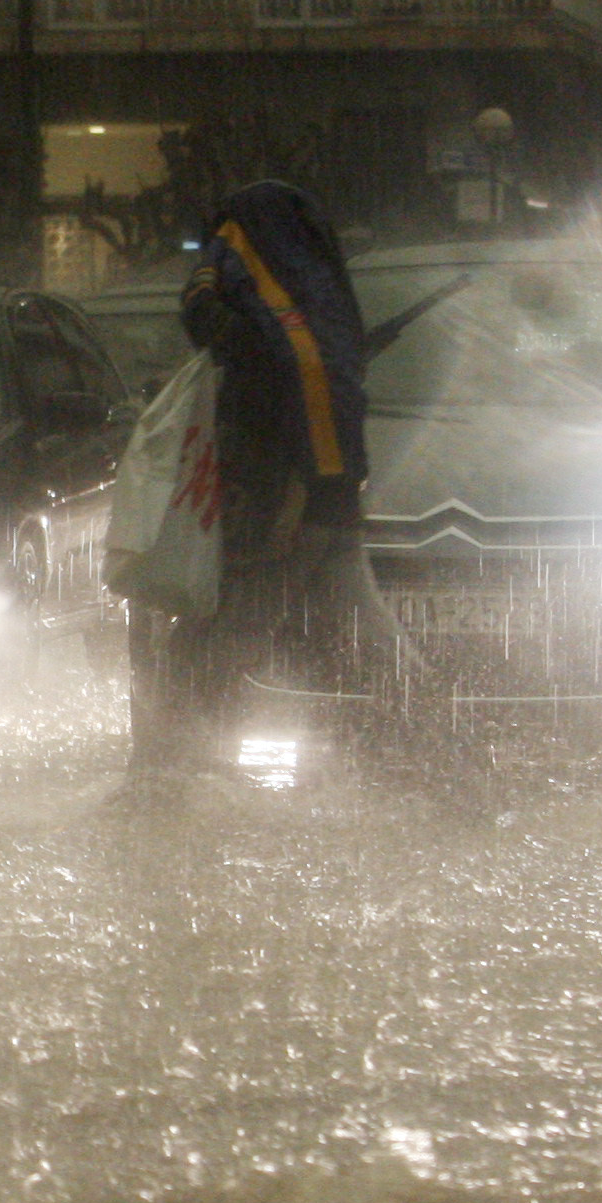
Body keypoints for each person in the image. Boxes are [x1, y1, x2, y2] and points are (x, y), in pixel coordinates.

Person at [125, 179, 401, 774]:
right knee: (373, 646)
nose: (221, 251)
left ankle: (169, 774)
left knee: (219, 644)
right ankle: (447, 766)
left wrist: (296, 503)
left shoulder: (280, 330)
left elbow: (304, 415)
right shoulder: (314, 312)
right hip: (319, 508)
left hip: (290, 509)